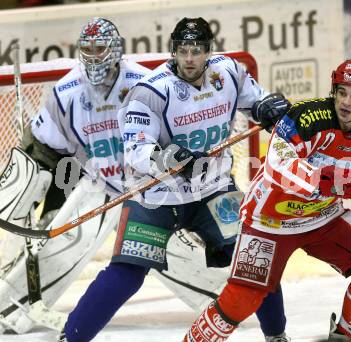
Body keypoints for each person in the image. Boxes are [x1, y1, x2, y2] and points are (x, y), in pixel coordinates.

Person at [61, 17, 292, 342]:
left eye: (196, 51)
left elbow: (255, 102)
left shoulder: (228, 72)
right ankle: (70, 338)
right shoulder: (151, 91)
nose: (188, 59)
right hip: (157, 197)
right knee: (128, 272)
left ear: (208, 52)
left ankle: (277, 336)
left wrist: (268, 109)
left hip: (213, 190)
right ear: (173, 52)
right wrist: (167, 157)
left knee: (255, 256)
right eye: (182, 51)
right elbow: (137, 148)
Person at [184, 59, 351, 341]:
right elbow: (277, 165)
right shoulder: (305, 117)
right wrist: (323, 180)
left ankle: (345, 338)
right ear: (334, 91)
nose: (346, 101)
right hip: (269, 219)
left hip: (323, 218)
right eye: (342, 92)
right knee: (242, 298)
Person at [0, 17, 149, 333]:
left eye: (100, 47)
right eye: (87, 48)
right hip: (98, 186)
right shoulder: (67, 91)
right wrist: (37, 190)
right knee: (62, 243)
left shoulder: (146, 84)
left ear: (116, 49)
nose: (93, 55)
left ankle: (234, 292)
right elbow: (44, 149)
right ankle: (8, 308)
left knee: (201, 268)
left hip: (148, 189)